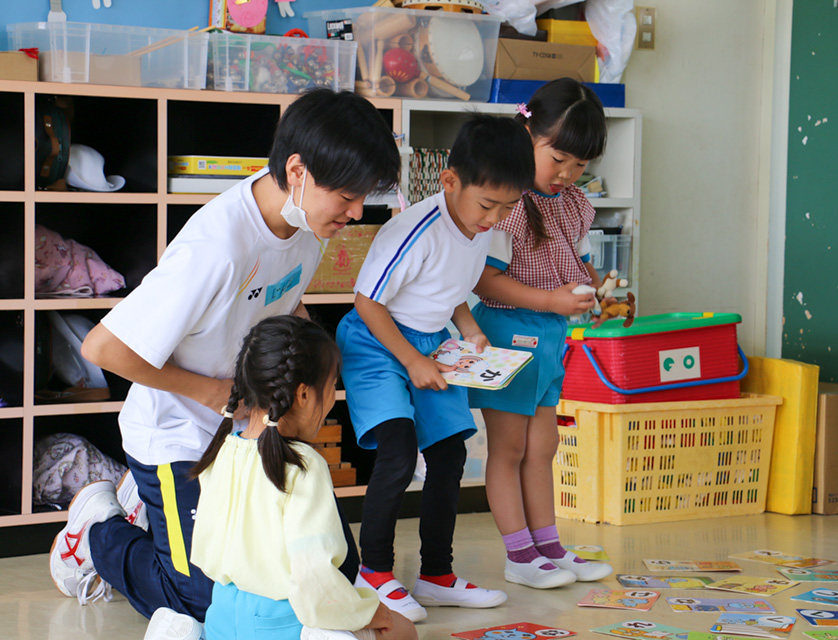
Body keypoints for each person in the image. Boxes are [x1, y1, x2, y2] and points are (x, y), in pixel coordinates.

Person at [50, 89, 401, 638]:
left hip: (245, 431)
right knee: (202, 600)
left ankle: (155, 515)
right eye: (347, 196)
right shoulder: (217, 247)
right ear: (297, 170)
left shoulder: (308, 223)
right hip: (177, 433)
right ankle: (98, 531)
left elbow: (283, 300)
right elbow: (103, 349)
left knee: (338, 565)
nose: (357, 212)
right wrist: (211, 393)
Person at [336, 114, 535, 622]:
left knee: (449, 454)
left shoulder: (480, 227)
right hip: (379, 340)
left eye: (508, 207)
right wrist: (411, 360)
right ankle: (374, 573)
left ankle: (436, 576)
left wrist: (468, 327)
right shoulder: (415, 230)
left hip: (432, 341)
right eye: (487, 204)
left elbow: (450, 288)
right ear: (449, 180)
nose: (494, 218)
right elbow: (367, 303)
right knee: (399, 451)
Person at [469, 78, 615, 589]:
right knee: (508, 448)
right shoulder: (505, 202)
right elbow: (486, 280)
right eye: (559, 158)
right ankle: (518, 554)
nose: (568, 174)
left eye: (580, 165)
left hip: (550, 335)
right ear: (527, 133)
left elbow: (576, 264)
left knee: (544, 446)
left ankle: (547, 546)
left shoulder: (571, 202)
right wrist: (553, 300)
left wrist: (605, 291)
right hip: (508, 333)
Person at [190, 315, 417, 640]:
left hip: (222, 619)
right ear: (304, 395)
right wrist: (370, 610)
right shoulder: (303, 463)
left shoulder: (221, 451)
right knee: (403, 630)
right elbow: (313, 575)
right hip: (285, 625)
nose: (332, 400)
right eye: (332, 387)